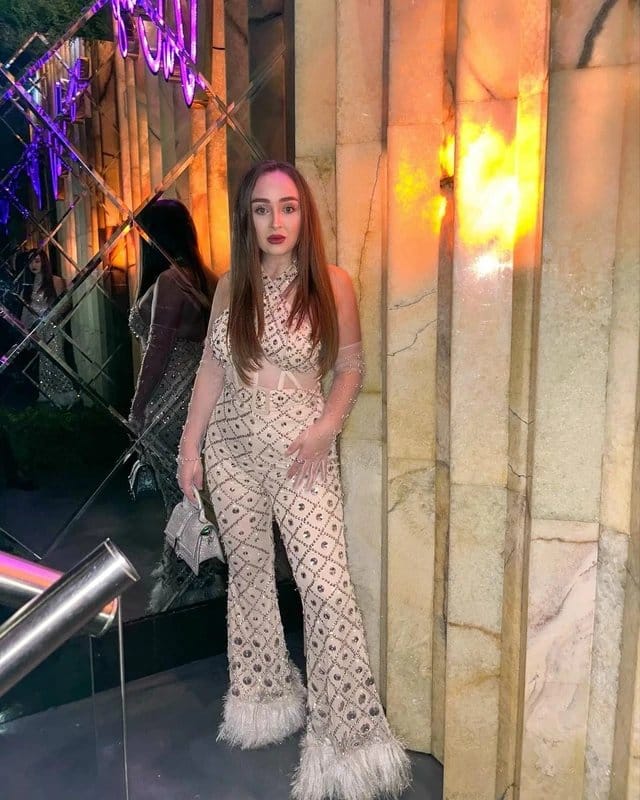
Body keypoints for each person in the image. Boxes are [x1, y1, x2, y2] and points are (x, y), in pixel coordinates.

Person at [177, 161, 410, 800]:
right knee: (249, 574)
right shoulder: (233, 286)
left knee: (326, 587)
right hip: (230, 445)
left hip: (299, 449)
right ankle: (264, 696)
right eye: (261, 209)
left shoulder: (332, 282)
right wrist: (190, 446)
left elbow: (351, 368)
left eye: (287, 207)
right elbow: (211, 369)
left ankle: (350, 741)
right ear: (247, 218)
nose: (275, 221)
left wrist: (325, 429)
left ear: (304, 214)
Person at [128, 198, 222, 611]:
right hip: (197, 399)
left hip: (168, 404)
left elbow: (157, 351)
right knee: (195, 496)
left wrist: (137, 407)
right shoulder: (206, 279)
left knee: (178, 497)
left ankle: (188, 581)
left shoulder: (170, 280)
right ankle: (201, 573)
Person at [19, 248, 77, 408]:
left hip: (52, 327)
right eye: (31, 262)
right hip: (37, 329)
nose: (33, 265)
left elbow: (64, 304)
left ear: (44, 262)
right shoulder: (28, 287)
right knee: (44, 362)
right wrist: (28, 331)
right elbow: (26, 311)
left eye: (37, 261)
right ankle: (48, 395)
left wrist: (50, 320)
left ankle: (65, 396)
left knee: (57, 359)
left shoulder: (55, 281)